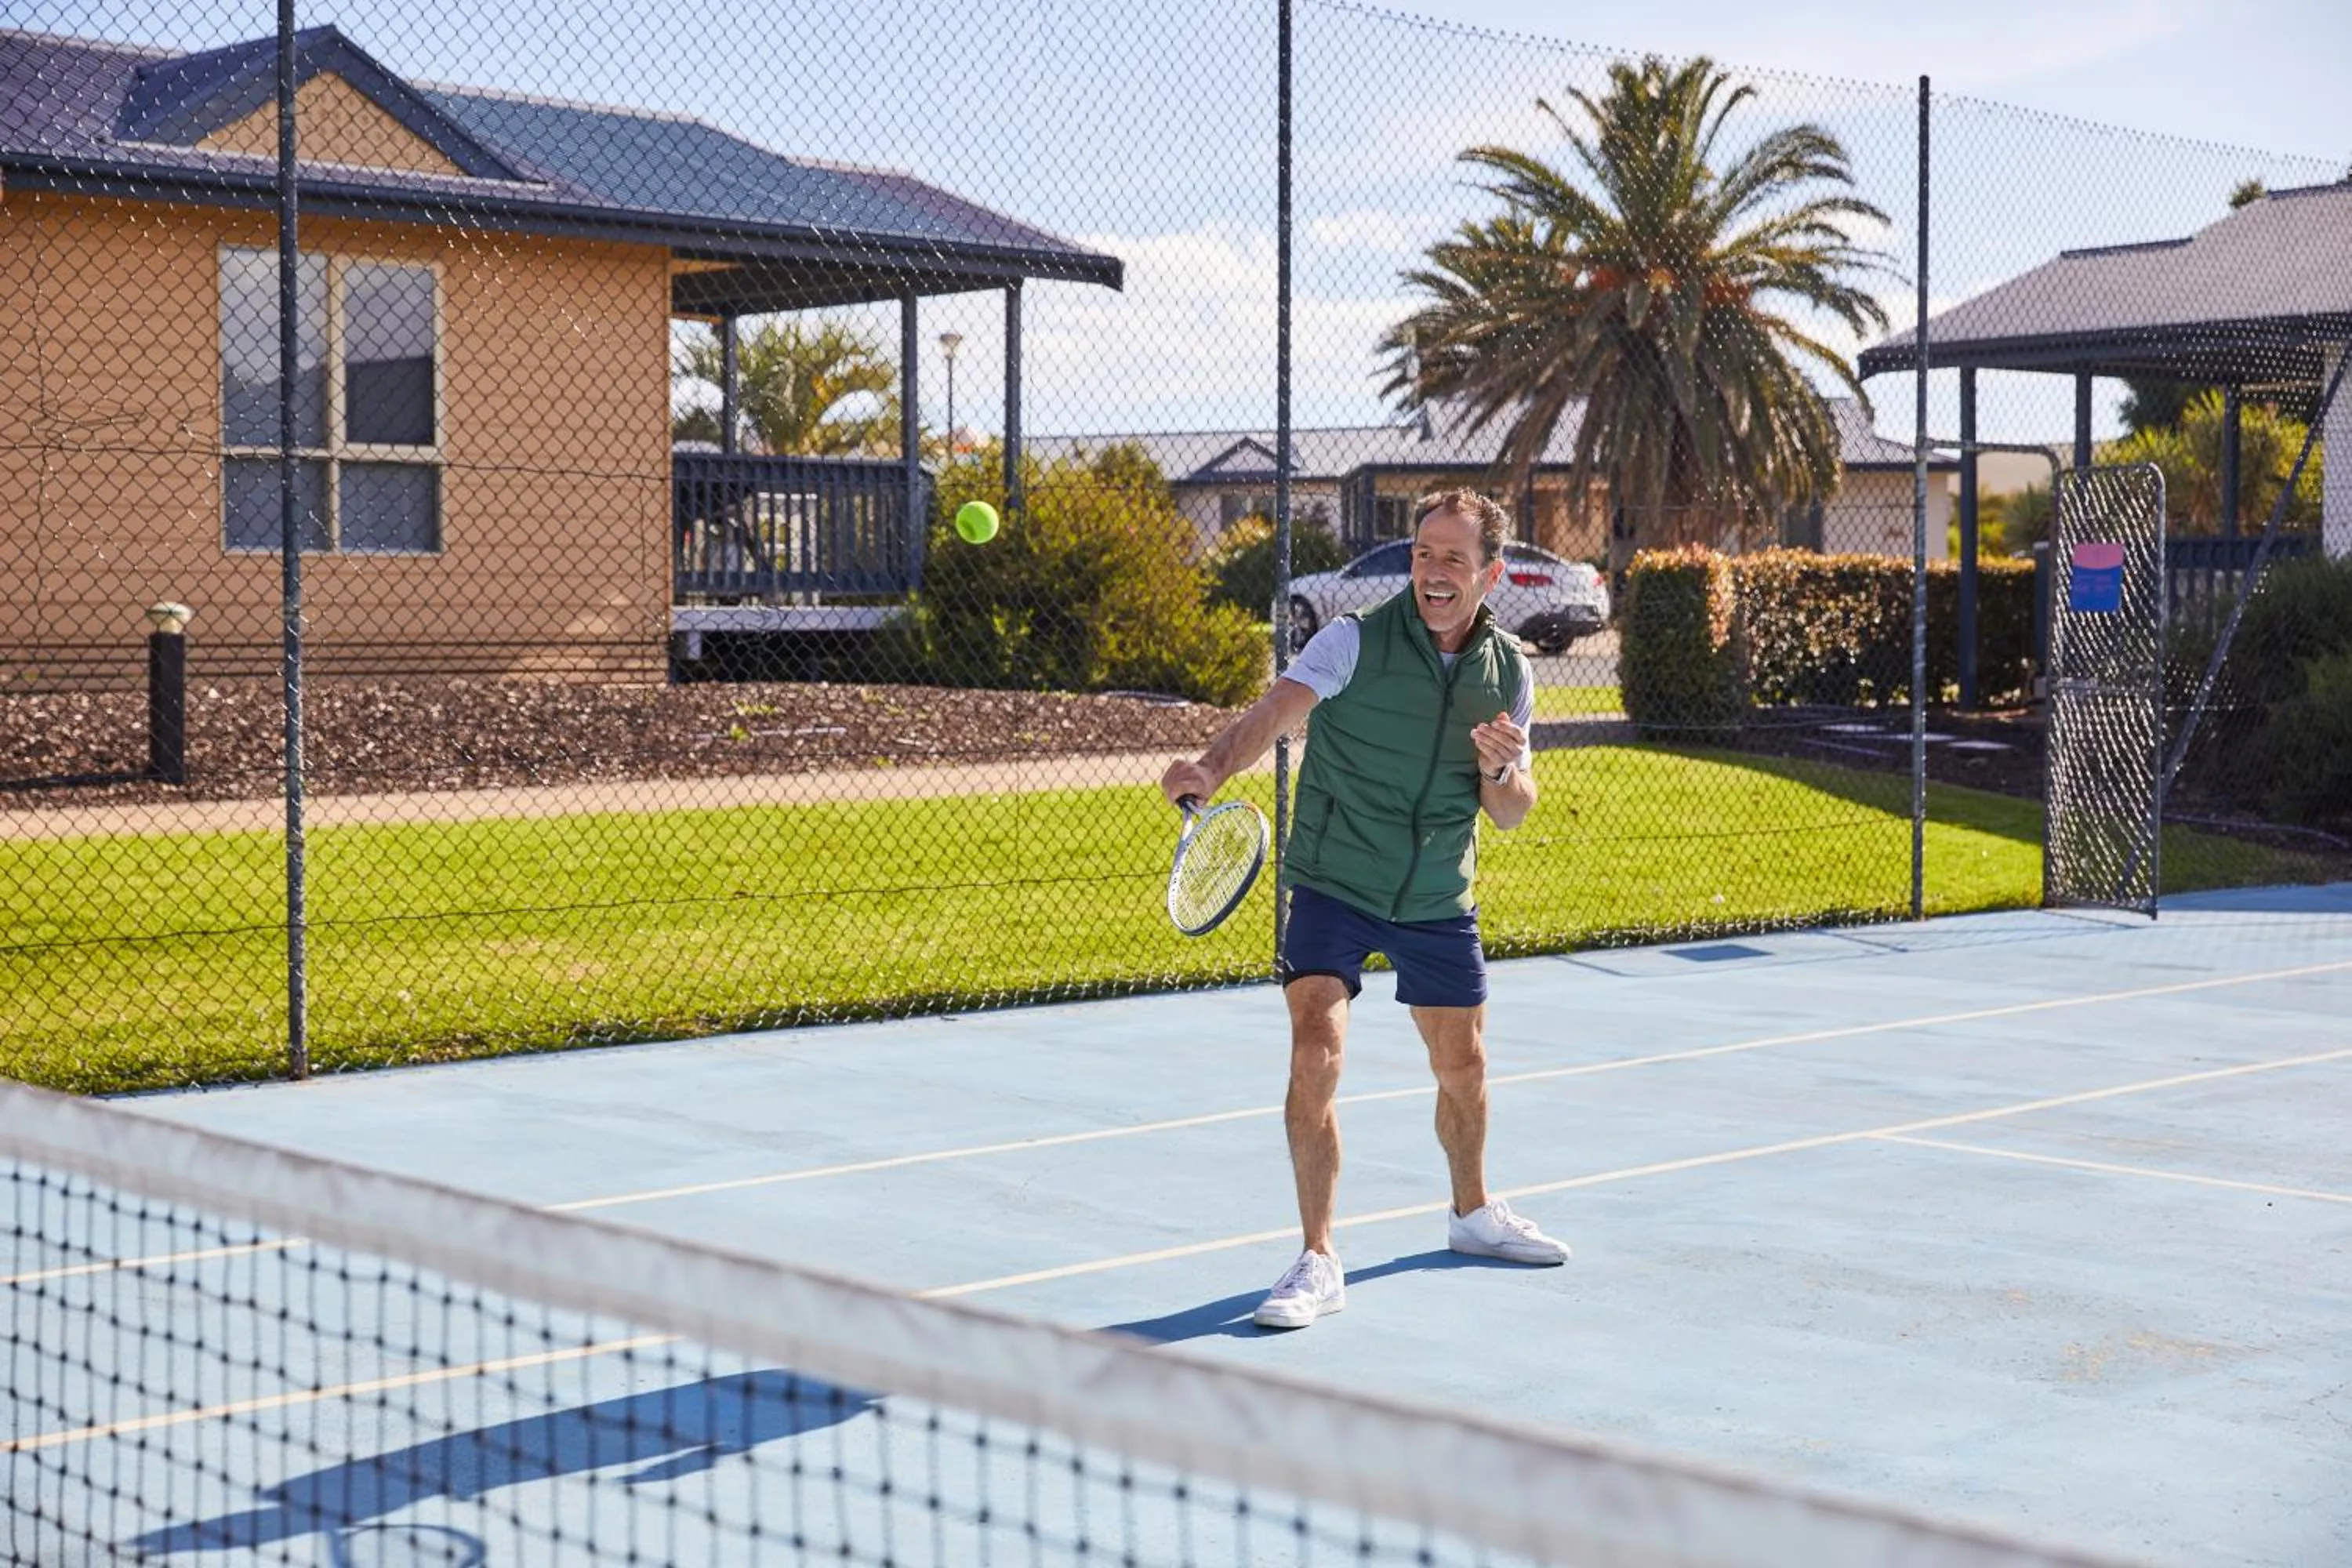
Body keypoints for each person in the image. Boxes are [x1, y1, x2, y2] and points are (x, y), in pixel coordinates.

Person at [1160, 489, 1570, 1331]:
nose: (1434, 572)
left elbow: (1514, 809)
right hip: (1336, 876)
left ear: (1490, 573)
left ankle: (1472, 1215)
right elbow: (1275, 713)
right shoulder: (1350, 639)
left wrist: (1501, 769)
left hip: (1434, 892)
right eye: (1424, 554)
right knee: (1317, 1046)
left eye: (1454, 558)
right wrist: (1209, 765)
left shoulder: (1508, 672)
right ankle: (1316, 1255)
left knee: (1464, 1066)